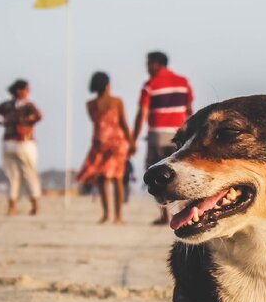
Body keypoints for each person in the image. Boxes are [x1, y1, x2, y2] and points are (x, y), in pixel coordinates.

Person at [130, 51, 193, 225]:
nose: (147, 68)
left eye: (148, 64)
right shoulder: (183, 83)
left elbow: (142, 114)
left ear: (156, 64)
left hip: (157, 135)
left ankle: (165, 216)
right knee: (181, 172)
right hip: (179, 136)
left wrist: (133, 139)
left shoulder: (150, 85)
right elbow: (189, 110)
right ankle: (183, 212)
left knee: (157, 175)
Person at [78, 72, 132, 224]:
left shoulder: (90, 105)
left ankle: (106, 214)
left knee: (103, 180)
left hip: (99, 144)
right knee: (118, 180)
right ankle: (118, 217)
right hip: (117, 143)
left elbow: (98, 123)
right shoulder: (117, 101)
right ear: (108, 85)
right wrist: (131, 142)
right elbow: (123, 123)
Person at [0, 79, 42, 216]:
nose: (29, 92)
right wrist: (27, 123)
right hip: (24, 142)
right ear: (20, 91)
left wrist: (2, 123)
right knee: (29, 174)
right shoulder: (28, 105)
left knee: (13, 177)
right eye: (27, 89)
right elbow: (39, 116)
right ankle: (35, 204)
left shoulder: (6, 105)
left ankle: (13, 206)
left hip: (8, 143)